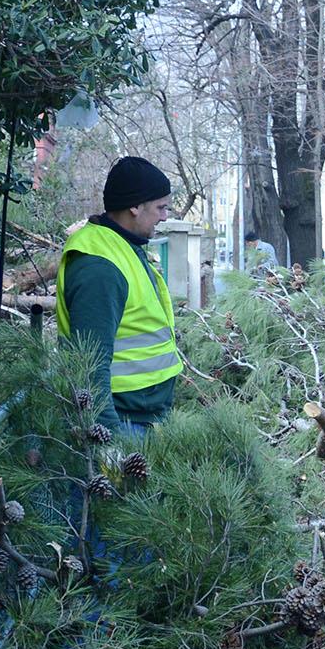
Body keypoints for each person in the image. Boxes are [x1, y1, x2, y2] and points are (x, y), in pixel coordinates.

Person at [56, 156, 184, 439]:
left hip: (138, 419)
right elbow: (89, 362)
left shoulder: (122, 246)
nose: (165, 217)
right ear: (135, 206)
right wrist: (107, 442)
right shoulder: (100, 267)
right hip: (120, 425)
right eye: (160, 208)